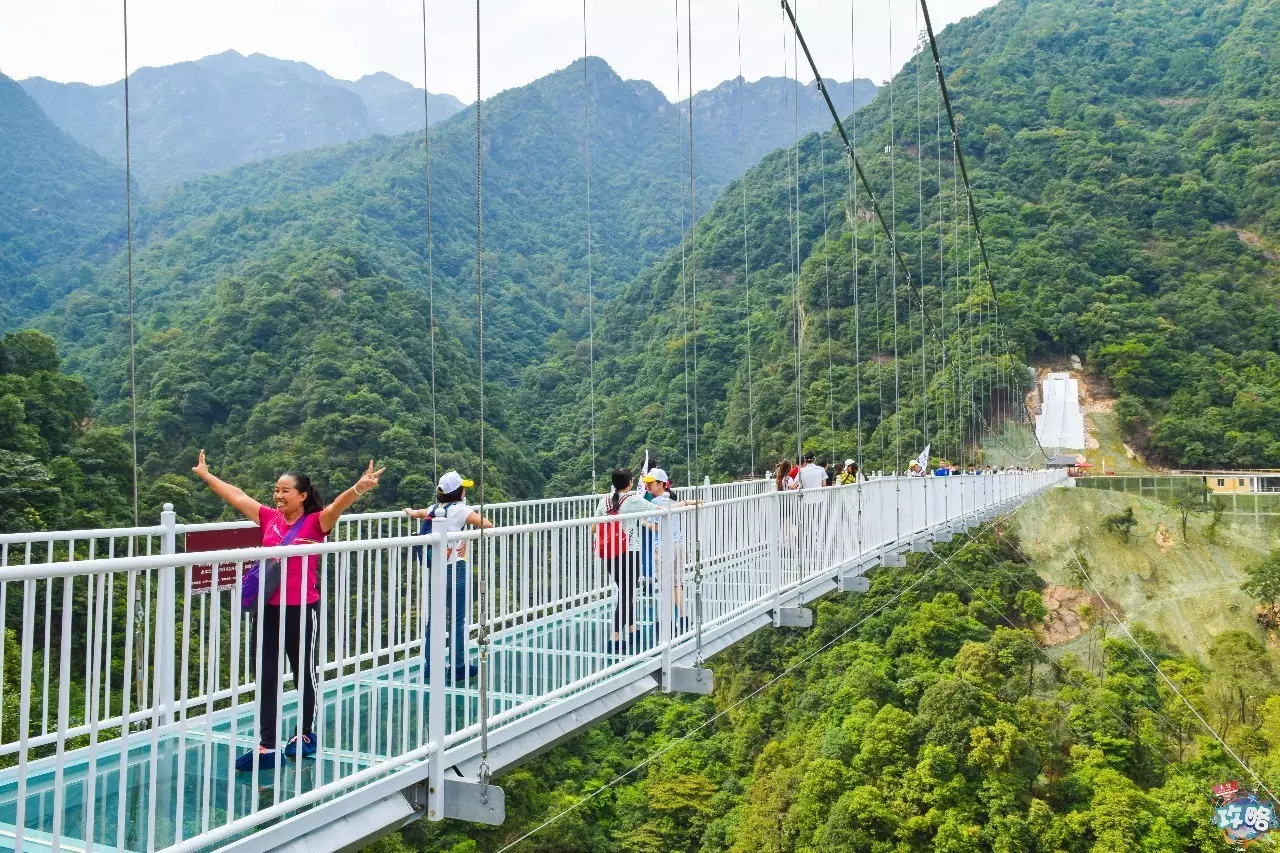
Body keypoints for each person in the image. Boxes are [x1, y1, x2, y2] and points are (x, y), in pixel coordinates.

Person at [192, 450, 383, 773]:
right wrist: (206, 475)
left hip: (301, 609)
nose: (278, 496)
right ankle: (267, 746)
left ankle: (306, 735)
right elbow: (237, 496)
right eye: (276, 490)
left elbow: (337, 506)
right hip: (267, 609)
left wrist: (359, 488)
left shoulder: (316, 521)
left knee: (303, 673)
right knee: (266, 676)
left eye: (285, 491)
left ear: (303, 495)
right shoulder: (269, 518)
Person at [404, 470, 494, 684]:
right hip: (456, 569)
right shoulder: (461, 511)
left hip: (435, 570)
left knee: (433, 620)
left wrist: (408, 511)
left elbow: (417, 513)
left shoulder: (434, 509)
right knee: (457, 620)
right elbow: (487, 526)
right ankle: (458, 667)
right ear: (459, 492)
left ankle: (430, 667)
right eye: (463, 488)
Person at [596, 467, 657, 654]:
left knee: (625, 592)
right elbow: (662, 509)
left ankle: (632, 629)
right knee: (627, 594)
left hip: (609, 553)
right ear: (630, 483)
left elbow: (594, 528)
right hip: (629, 553)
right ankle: (614, 638)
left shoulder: (604, 500)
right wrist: (686, 503)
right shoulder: (631, 500)